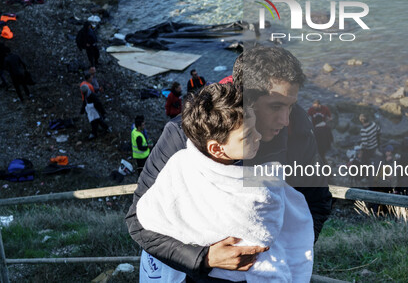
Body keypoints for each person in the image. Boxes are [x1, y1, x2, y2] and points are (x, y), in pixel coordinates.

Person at [126, 46, 332, 282]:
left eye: (291, 105)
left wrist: (286, 250)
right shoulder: (183, 134)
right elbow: (138, 221)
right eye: (275, 106)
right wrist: (204, 259)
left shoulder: (297, 128)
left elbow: (318, 201)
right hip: (193, 275)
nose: (286, 120)